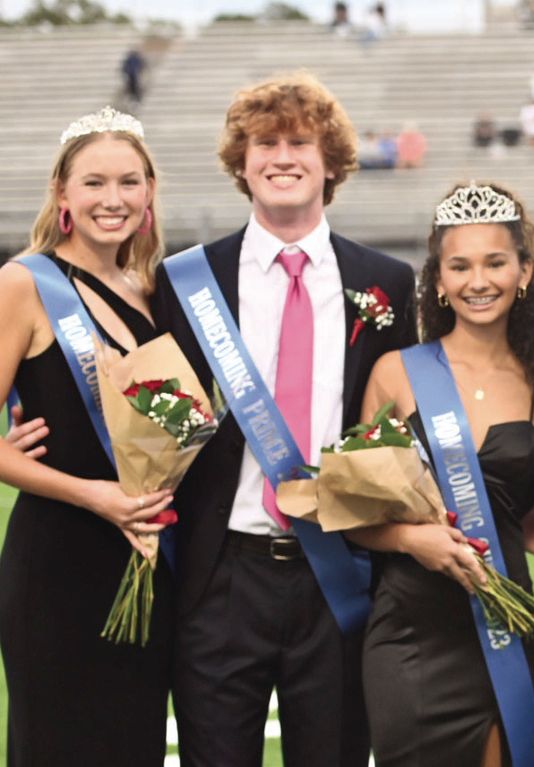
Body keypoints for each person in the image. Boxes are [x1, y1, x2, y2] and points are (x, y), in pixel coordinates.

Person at [150, 73, 417, 766]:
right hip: (221, 575)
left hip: (339, 570)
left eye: (301, 140)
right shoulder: (188, 280)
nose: (282, 155)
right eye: (264, 142)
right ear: (241, 163)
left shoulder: (386, 282)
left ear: (331, 162)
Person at [351, 181, 534, 766]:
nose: (478, 281)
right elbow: (353, 515)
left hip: (502, 617)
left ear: (524, 271)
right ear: (437, 281)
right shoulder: (397, 372)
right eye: (459, 266)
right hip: (409, 628)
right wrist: (412, 539)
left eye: (496, 262)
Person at [0, 106, 174, 765]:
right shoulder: (24, 283)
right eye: (95, 183)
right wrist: (90, 493)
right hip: (58, 565)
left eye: (130, 182)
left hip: (146, 565)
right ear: (62, 193)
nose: (114, 199)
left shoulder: (147, 291)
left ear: (149, 192)